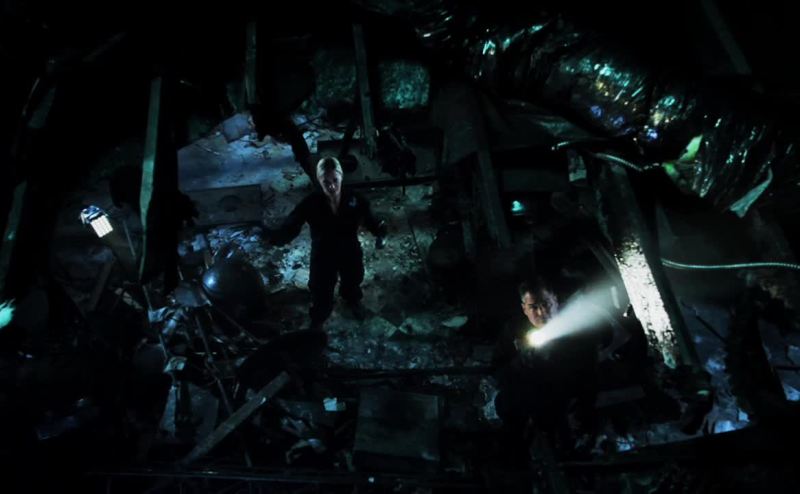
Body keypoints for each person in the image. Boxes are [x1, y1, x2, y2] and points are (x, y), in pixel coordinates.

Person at [264, 157, 386, 331]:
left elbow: (370, 219)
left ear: (341, 176)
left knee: (353, 279)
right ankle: (318, 318)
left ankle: (352, 300)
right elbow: (292, 224)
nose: (332, 187)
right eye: (326, 182)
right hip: (323, 253)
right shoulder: (310, 203)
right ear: (318, 181)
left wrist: (379, 230)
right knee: (321, 289)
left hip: (349, 249)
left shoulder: (355, 199)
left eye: (335, 180)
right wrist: (276, 238)